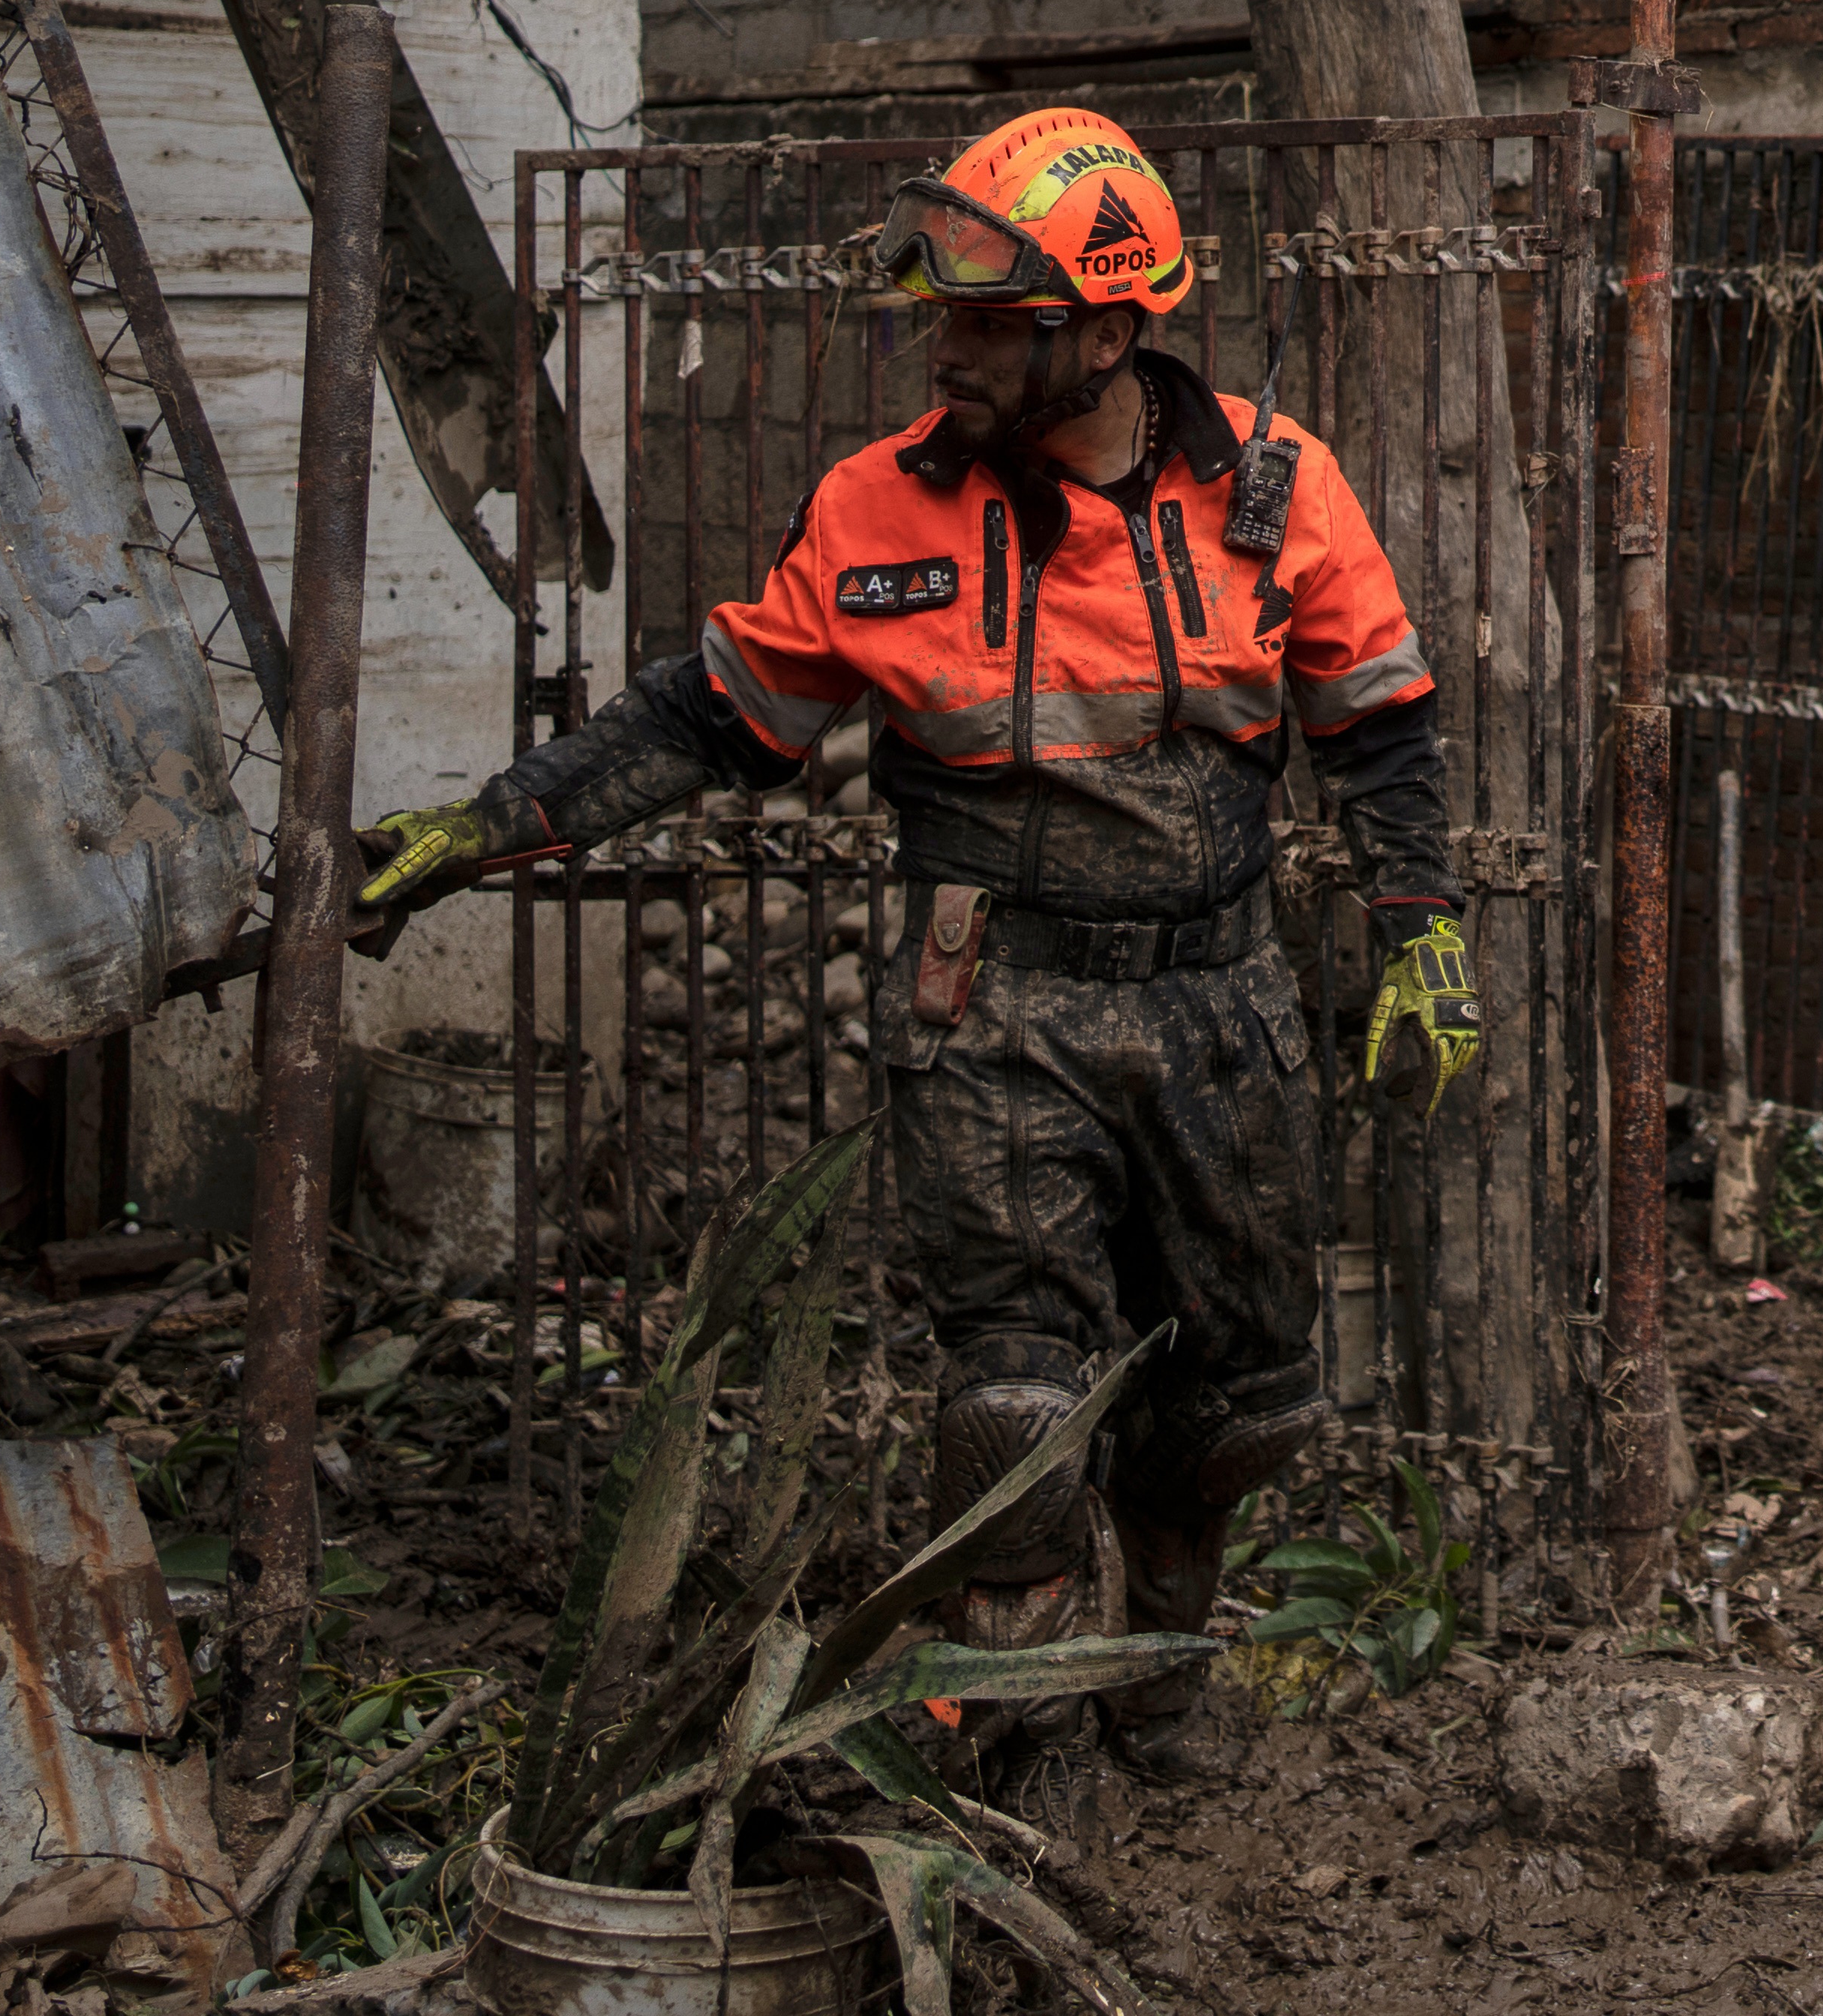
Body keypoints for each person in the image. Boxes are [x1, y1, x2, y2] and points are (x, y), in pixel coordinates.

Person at [353, 108, 1479, 1777]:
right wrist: (493, 821)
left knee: (1239, 1404)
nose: (939, 348)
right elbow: (714, 717)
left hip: (1222, 1008)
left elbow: (1380, 728)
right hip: (994, 1005)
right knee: (1012, 1407)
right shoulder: (878, 509)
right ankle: (1010, 1743)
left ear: (1104, 331)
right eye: (939, 312)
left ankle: (1160, 1663)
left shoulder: (1277, 487)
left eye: (984, 322)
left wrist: (1420, 935)